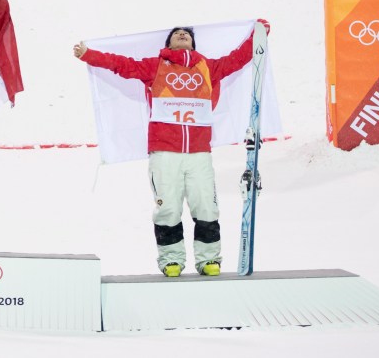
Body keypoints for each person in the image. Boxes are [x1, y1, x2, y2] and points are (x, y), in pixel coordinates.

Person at [73, 21, 268, 277]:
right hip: (164, 152)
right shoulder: (155, 67)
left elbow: (237, 59)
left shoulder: (208, 68)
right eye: (176, 34)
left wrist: (259, 36)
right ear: (168, 44)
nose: (181, 35)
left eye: (186, 34)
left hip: (199, 152)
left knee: (206, 207)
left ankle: (209, 260)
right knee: (168, 208)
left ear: (192, 43)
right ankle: (171, 260)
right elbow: (122, 65)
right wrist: (90, 54)